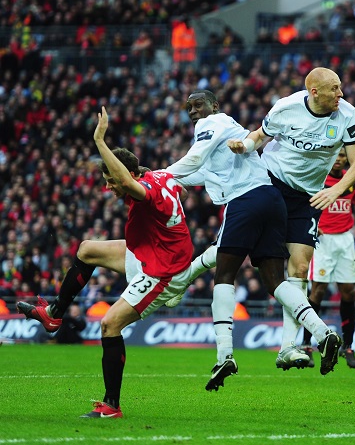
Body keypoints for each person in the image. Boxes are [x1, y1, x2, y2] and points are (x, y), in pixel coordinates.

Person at [17, 107, 215, 418]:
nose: (108, 187)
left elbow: (130, 181)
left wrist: (100, 140)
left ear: (127, 175)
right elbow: (170, 182)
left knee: (109, 325)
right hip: (148, 251)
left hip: (163, 271)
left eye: (111, 179)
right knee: (86, 250)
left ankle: (111, 406)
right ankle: (54, 313)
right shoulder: (158, 176)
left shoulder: (145, 191)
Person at [166, 89, 343, 387]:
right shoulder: (227, 130)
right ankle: (323, 332)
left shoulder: (210, 124)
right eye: (189, 107)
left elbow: (194, 158)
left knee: (224, 275)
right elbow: (199, 172)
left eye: (199, 105)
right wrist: (163, 176)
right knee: (275, 280)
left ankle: (224, 355)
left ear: (214, 106)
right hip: (271, 200)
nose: (193, 111)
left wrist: (157, 177)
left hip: (245, 201)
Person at [228, 67, 355, 370]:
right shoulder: (286, 107)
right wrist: (245, 145)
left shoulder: (347, 115)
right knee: (261, 264)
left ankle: (288, 347)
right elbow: (259, 136)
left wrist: (335, 191)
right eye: (334, 89)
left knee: (301, 267)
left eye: (341, 87)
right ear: (314, 92)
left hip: (309, 196)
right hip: (272, 183)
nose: (340, 94)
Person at [300, 149, 355, 369]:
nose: (339, 160)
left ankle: (349, 346)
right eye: (336, 156)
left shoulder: (349, 179)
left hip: (345, 240)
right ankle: (306, 344)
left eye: (343, 157)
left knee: (348, 291)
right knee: (318, 290)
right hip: (324, 240)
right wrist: (314, 224)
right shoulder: (319, 178)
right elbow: (305, 203)